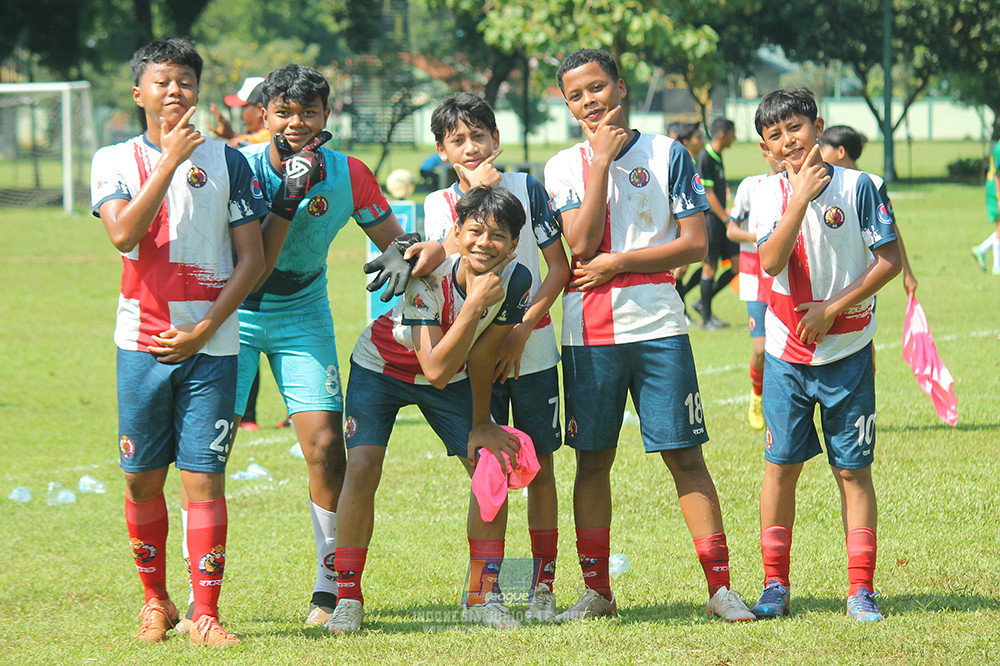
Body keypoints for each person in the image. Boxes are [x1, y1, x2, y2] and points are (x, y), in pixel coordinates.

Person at [218, 63, 440, 629]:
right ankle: (201, 601)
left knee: (324, 447)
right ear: (262, 114)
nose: (295, 122)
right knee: (207, 454)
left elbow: (398, 239)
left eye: (308, 112)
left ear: (326, 116)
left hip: (303, 312)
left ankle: (330, 587)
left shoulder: (349, 174)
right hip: (232, 313)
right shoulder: (234, 166)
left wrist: (405, 249)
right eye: (284, 112)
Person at [544, 48, 756, 623]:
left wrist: (621, 264)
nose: (589, 101)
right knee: (592, 460)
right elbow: (581, 247)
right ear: (566, 104)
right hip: (588, 333)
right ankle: (596, 592)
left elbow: (697, 244)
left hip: (659, 325)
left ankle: (720, 590)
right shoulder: (563, 166)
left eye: (597, 88)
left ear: (620, 86)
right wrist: (599, 165)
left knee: (685, 456)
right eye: (575, 95)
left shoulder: (669, 153)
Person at [90, 37, 268, 647]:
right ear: (138, 92)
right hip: (140, 344)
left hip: (210, 346)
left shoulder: (230, 161)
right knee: (142, 478)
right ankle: (156, 600)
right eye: (162, 81)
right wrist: (167, 161)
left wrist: (204, 330)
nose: (174, 91)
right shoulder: (113, 159)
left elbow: (252, 259)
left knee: (203, 480)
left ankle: (207, 612)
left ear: (197, 90)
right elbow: (123, 234)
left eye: (185, 81)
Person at [328, 186, 533, 633]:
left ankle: (483, 596)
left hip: (452, 377)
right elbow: (435, 366)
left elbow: (481, 357)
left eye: (498, 235)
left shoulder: (517, 281)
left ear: (515, 243)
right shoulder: (428, 274)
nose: (484, 243)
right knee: (361, 468)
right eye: (475, 231)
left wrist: (482, 425)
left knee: (491, 467)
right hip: (381, 368)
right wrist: (475, 302)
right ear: (456, 233)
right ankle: (347, 599)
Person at [749, 87, 901, 623]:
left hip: (848, 349)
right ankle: (774, 584)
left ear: (818, 126)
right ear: (766, 150)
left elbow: (890, 260)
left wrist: (833, 308)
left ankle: (861, 589)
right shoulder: (765, 193)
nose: (788, 141)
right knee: (780, 466)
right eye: (775, 136)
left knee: (853, 471)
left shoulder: (862, 186)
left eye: (796, 128)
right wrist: (797, 198)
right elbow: (769, 261)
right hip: (787, 355)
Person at [422, 92, 570, 621]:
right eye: (456, 139)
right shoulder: (438, 204)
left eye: (478, 136)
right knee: (491, 470)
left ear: (496, 140)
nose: (469, 147)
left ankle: (542, 590)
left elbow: (559, 267)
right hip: (473, 359)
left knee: (540, 469)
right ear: (441, 149)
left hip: (530, 349)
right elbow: (439, 260)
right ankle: (486, 593)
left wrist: (522, 330)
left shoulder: (528, 188)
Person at [818, 125, 917, 293]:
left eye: (822, 147)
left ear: (841, 152)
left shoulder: (873, 183)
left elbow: (890, 228)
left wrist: (907, 272)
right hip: (827, 277)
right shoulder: (820, 184)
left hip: (864, 279)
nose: (818, 152)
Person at [726, 148, 782, 431]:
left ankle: (786, 405)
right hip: (754, 273)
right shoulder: (751, 185)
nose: (780, 156)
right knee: (760, 350)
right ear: (765, 153)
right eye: (773, 150)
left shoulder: (796, 184)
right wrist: (761, 237)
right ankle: (757, 396)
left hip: (785, 274)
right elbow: (731, 230)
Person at [694, 117, 739, 329]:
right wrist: (725, 218)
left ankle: (703, 303)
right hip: (712, 219)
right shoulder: (705, 157)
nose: (735, 137)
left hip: (721, 218)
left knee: (736, 264)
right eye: (733, 132)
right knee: (710, 266)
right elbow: (707, 193)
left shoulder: (717, 155)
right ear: (723, 134)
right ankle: (706, 319)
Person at [208, 76, 270, 147]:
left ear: (259, 110)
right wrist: (231, 135)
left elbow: (246, 143)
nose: (242, 114)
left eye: (243, 107)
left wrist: (231, 135)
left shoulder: (265, 140)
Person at [973, 137, 1000, 275]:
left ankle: (982, 249)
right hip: (996, 189)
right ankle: (997, 266)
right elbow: (998, 174)